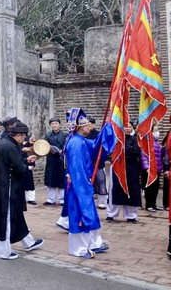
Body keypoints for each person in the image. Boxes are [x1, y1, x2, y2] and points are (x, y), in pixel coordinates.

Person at [0, 121, 43, 259]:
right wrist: (29, 164)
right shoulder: (10, 147)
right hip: (8, 186)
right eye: (23, 137)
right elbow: (19, 168)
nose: (24, 139)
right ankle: (2, 251)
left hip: (3, 184)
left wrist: (25, 160)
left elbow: (12, 163)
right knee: (5, 218)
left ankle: (27, 242)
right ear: (18, 135)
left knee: (13, 216)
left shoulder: (4, 143)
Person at [64, 108, 109, 258]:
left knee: (90, 213)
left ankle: (94, 243)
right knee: (81, 215)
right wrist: (84, 188)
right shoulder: (76, 144)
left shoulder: (81, 140)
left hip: (84, 184)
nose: (91, 126)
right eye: (89, 123)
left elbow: (96, 146)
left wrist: (107, 130)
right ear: (82, 127)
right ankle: (79, 249)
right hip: (79, 186)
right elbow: (77, 170)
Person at [107, 121, 141, 223]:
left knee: (131, 190)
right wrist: (124, 150)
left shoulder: (135, 139)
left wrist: (124, 149)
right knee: (115, 190)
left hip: (131, 168)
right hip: (117, 166)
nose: (127, 128)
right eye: (125, 127)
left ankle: (131, 215)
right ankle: (111, 214)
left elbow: (137, 152)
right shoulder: (116, 139)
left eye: (130, 127)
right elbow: (111, 152)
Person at [44, 118, 66, 205]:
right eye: (52, 124)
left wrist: (61, 151)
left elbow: (67, 146)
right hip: (51, 159)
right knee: (50, 178)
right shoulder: (48, 135)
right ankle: (50, 199)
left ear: (59, 124)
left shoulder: (65, 135)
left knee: (61, 179)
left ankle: (62, 199)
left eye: (56, 123)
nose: (54, 125)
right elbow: (44, 145)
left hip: (61, 159)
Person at [143, 123, 164, 212]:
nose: (157, 132)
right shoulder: (146, 142)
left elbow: (159, 157)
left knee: (156, 187)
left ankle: (154, 204)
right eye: (155, 130)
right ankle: (149, 205)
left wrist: (161, 167)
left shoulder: (156, 142)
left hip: (157, 169)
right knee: (150, 187)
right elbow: (143, 155)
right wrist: (146, 167)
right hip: (149, 169)